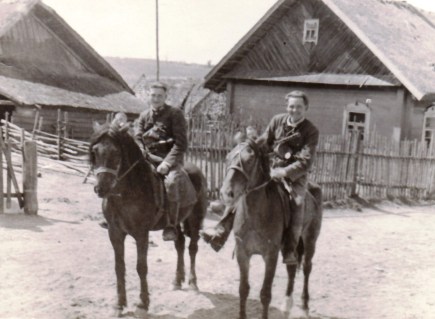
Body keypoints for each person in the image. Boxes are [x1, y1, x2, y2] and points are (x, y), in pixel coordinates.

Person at [201, 90, 319, 265]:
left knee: (298, 203)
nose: (294, 110)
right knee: (246, 188)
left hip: (295, 176)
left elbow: (306, 162)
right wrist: (251, 144)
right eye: (291, 106)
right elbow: (265, 140)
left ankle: (289, 248)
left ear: (306, 108)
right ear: (287, 107)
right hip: (270, 168)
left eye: (299, 107)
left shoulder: (311, 131)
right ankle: (221, 232)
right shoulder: (277, 121)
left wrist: (285, 172)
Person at [135, 82, 197, 241]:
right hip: (147, 157)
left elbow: (181, 143)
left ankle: (171, 225)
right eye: (153, 95)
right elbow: (137, 137)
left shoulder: (175, 114)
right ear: (149, 96)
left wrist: (167, 163)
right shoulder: (143, 115)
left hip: (168, 158)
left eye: (159, 96)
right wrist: (141, 149)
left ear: (165, 97)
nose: (155, 99)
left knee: (171, 183)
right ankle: (115, 215)